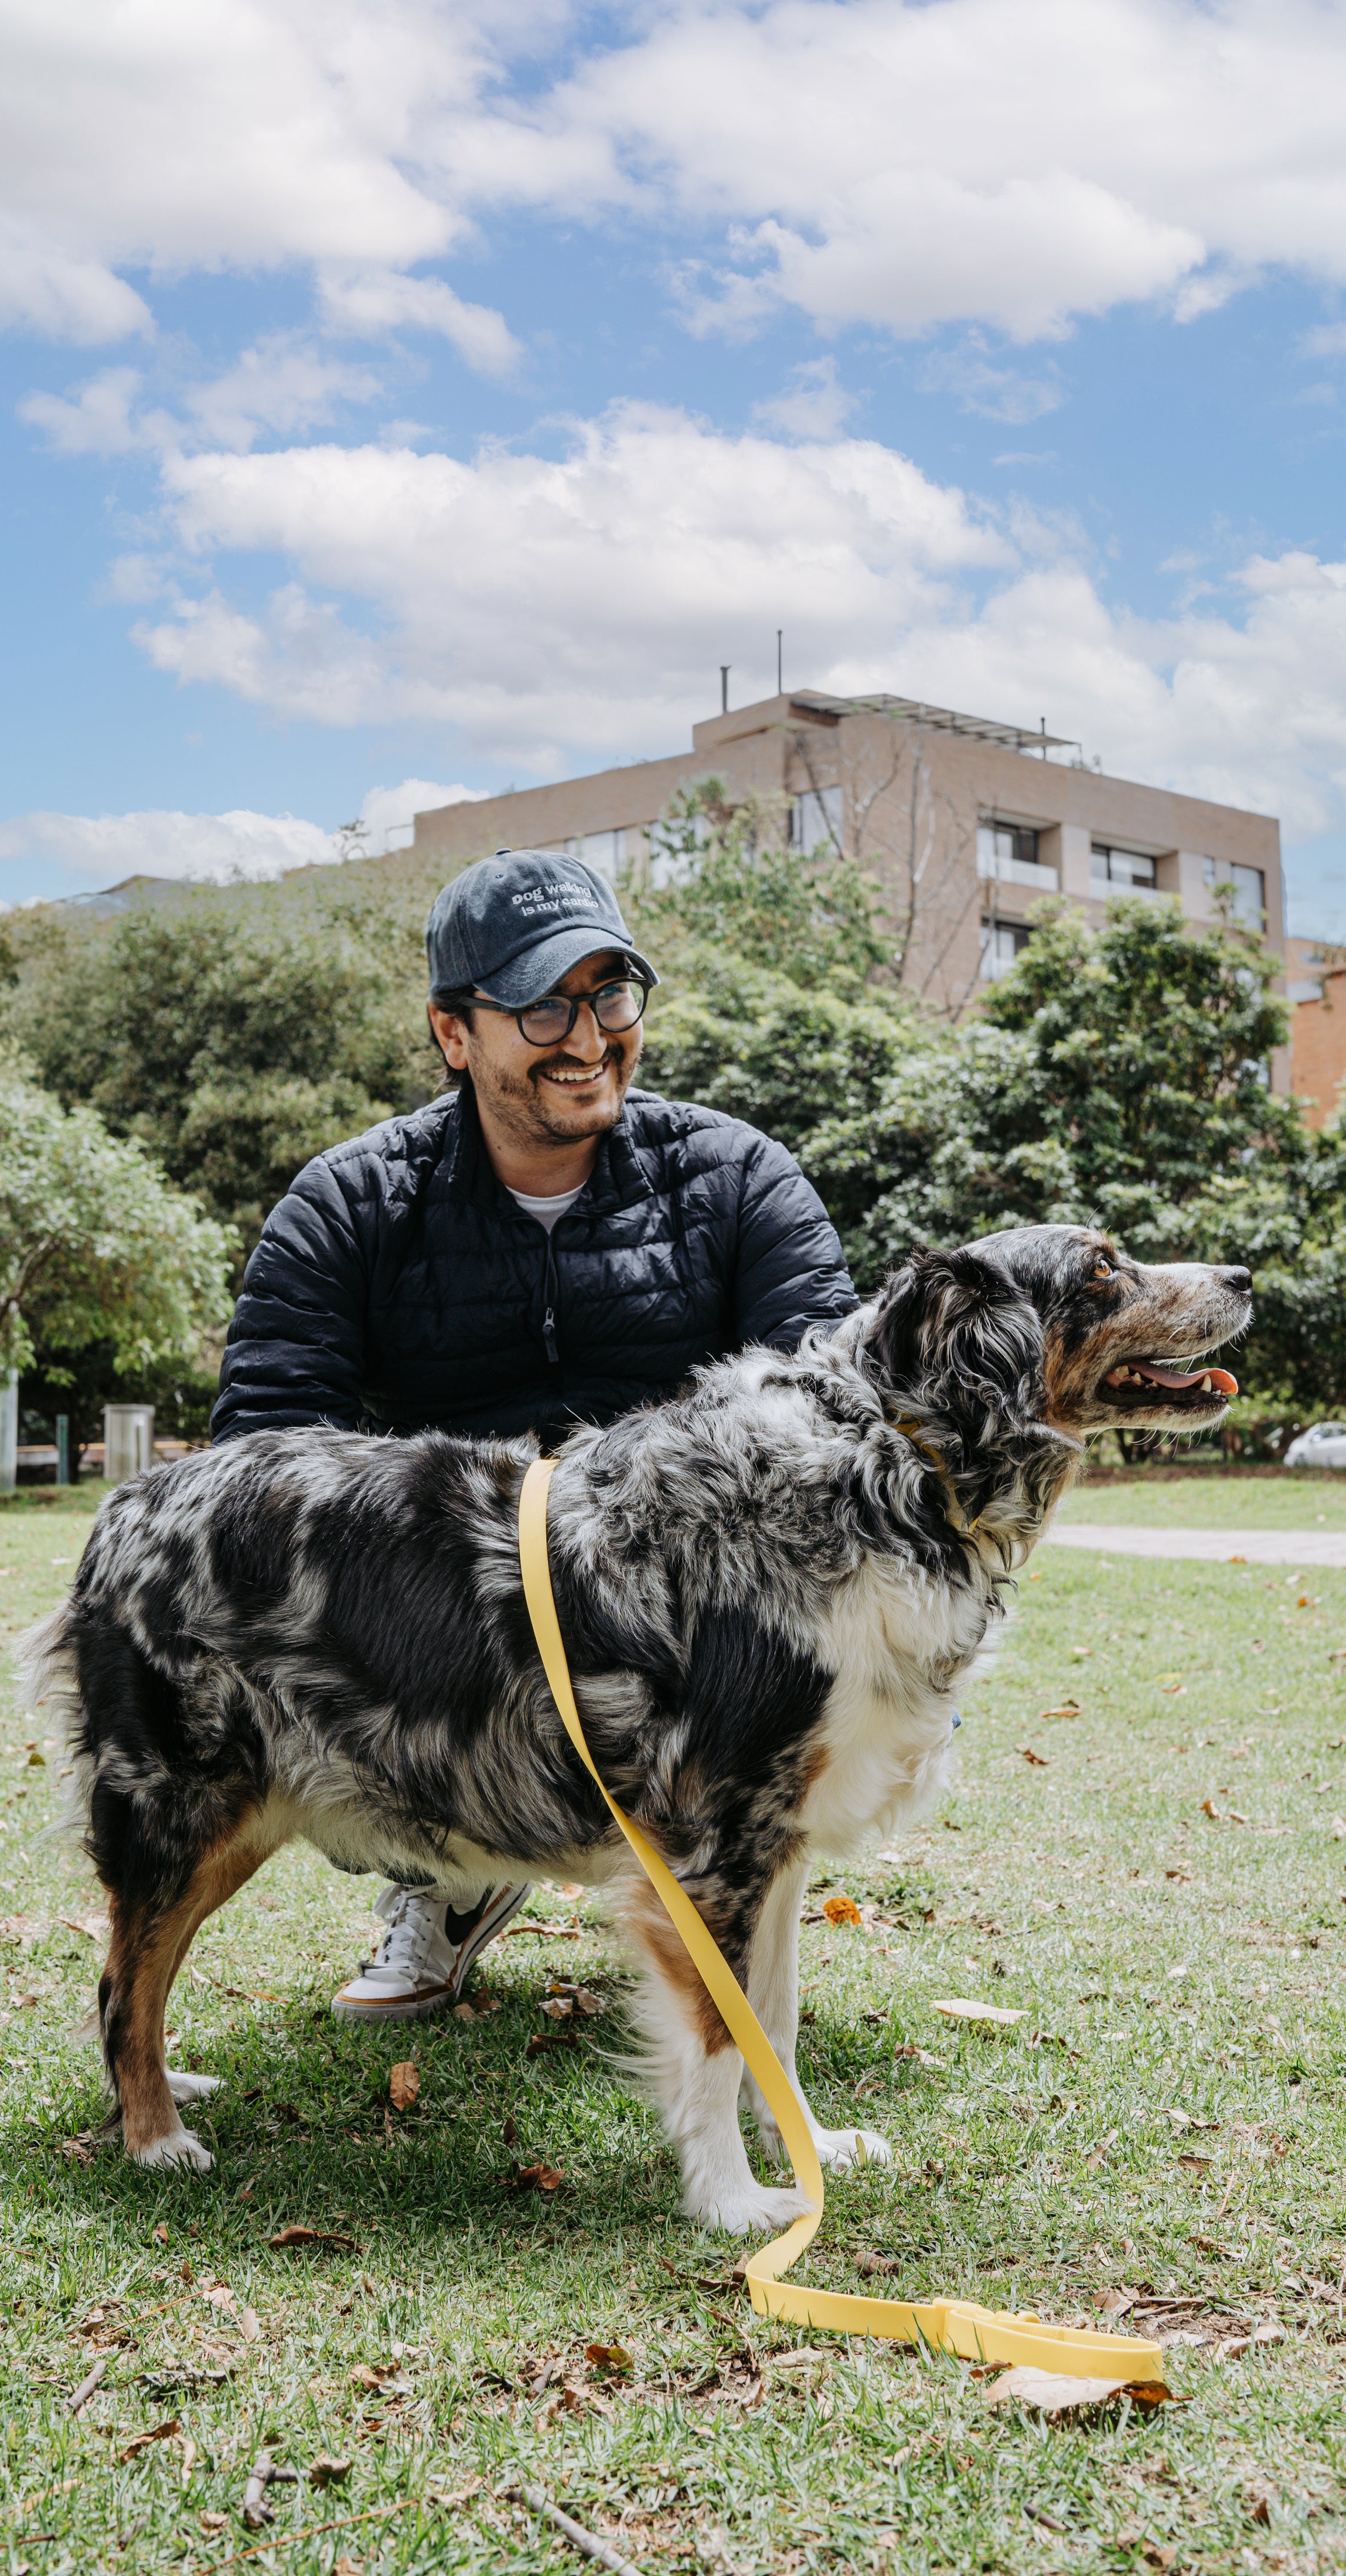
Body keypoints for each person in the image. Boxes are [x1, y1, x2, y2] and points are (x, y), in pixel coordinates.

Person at [211, 846, 857, 2018]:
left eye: (612, 995)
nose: (590, 1035)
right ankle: (443, 1882)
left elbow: (832, 1426)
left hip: (684, 1612)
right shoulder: (348, 1203)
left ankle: (730, 1883)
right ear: (454, 1034)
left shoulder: (740, 1177)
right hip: (460, 1622)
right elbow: (259, 1458)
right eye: (544, 1004)